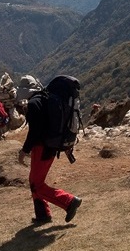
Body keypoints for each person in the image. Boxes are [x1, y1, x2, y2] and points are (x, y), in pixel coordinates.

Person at [18, 76, 82, 225]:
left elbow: (35, 132)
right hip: (50, 146)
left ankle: (69, 201)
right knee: (34, 181)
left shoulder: (34, 104)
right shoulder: (44, 99)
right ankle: (42, 214)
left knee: (36, 185)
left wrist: (24, 150)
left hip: (42, 147)